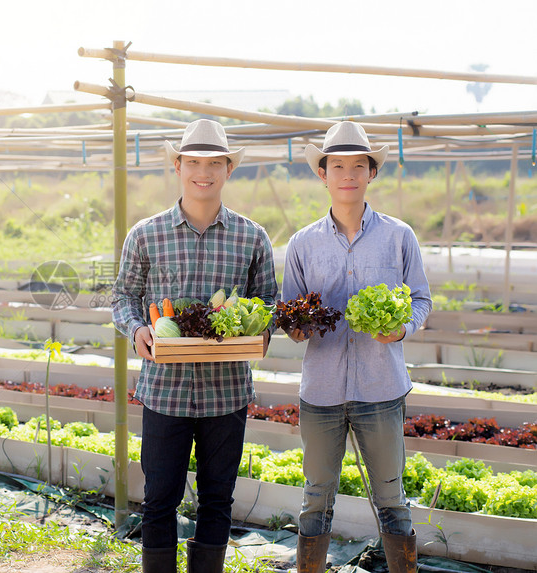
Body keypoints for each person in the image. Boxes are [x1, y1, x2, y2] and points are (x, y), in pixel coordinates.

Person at [112, 119, 278, 573]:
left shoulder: (252, 237)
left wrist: (259, 331)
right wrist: (137, 329)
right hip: (164, 390)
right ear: (178, 166)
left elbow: (269, 301)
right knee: (159, 499)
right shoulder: (146, 234)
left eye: (214, 163)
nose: (203, 172)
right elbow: (123, 295)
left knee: (217, 498)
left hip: (226, 391)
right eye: (193, 162)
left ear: (228, 170)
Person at [280, 121, 432, 573]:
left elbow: (420, 299)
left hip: (381, 390)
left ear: (371, 174)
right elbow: (288, 310)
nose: (348, 174)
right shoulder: (302, 243)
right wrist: (295, 327)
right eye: (338, 166)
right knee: (315, 501)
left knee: (391, 498)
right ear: (323, 174)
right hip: (321, 393)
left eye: (358, 166)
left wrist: (401, 329)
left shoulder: (398, 235)